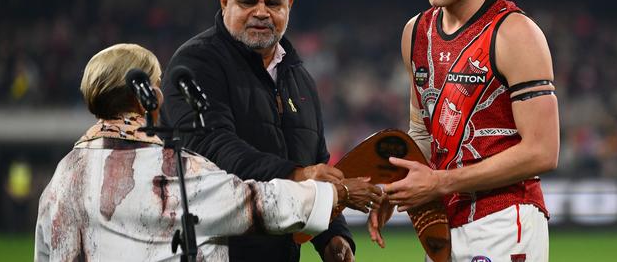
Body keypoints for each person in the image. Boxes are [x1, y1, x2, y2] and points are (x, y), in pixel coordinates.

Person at [35, 43, 382, 262]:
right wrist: (337, 192)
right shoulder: (171, 169)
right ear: (149, 97)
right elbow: (259, 203)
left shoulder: (63, 176)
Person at [368, 0, 560, 261]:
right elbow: (422, 132)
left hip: (504, 220)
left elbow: (543, 151)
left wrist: (438, 182)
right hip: (443, 225)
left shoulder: (515, 33)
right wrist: (395, 189)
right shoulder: (416, 32)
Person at [160, 0, 362, 262]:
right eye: (248, 1)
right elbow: (212, 150)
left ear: (289, 5)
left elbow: (315, 162)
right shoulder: (195, 64)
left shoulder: (300, 79)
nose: (261, 12)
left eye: (273, 3)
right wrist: (299, 174)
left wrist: (332, 235)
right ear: (224, 0)